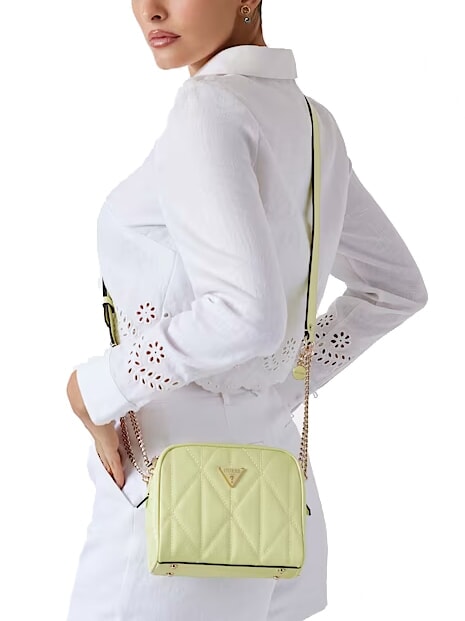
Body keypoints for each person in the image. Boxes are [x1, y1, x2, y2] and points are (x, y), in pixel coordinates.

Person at [65, 1, 428, 619]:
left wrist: (96, 386)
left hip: (174, 492)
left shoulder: (207, 109)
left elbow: (246, 313)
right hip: (270, 482)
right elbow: (395, 287)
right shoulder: (313, 123)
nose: (151, 10)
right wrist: (275, 381)